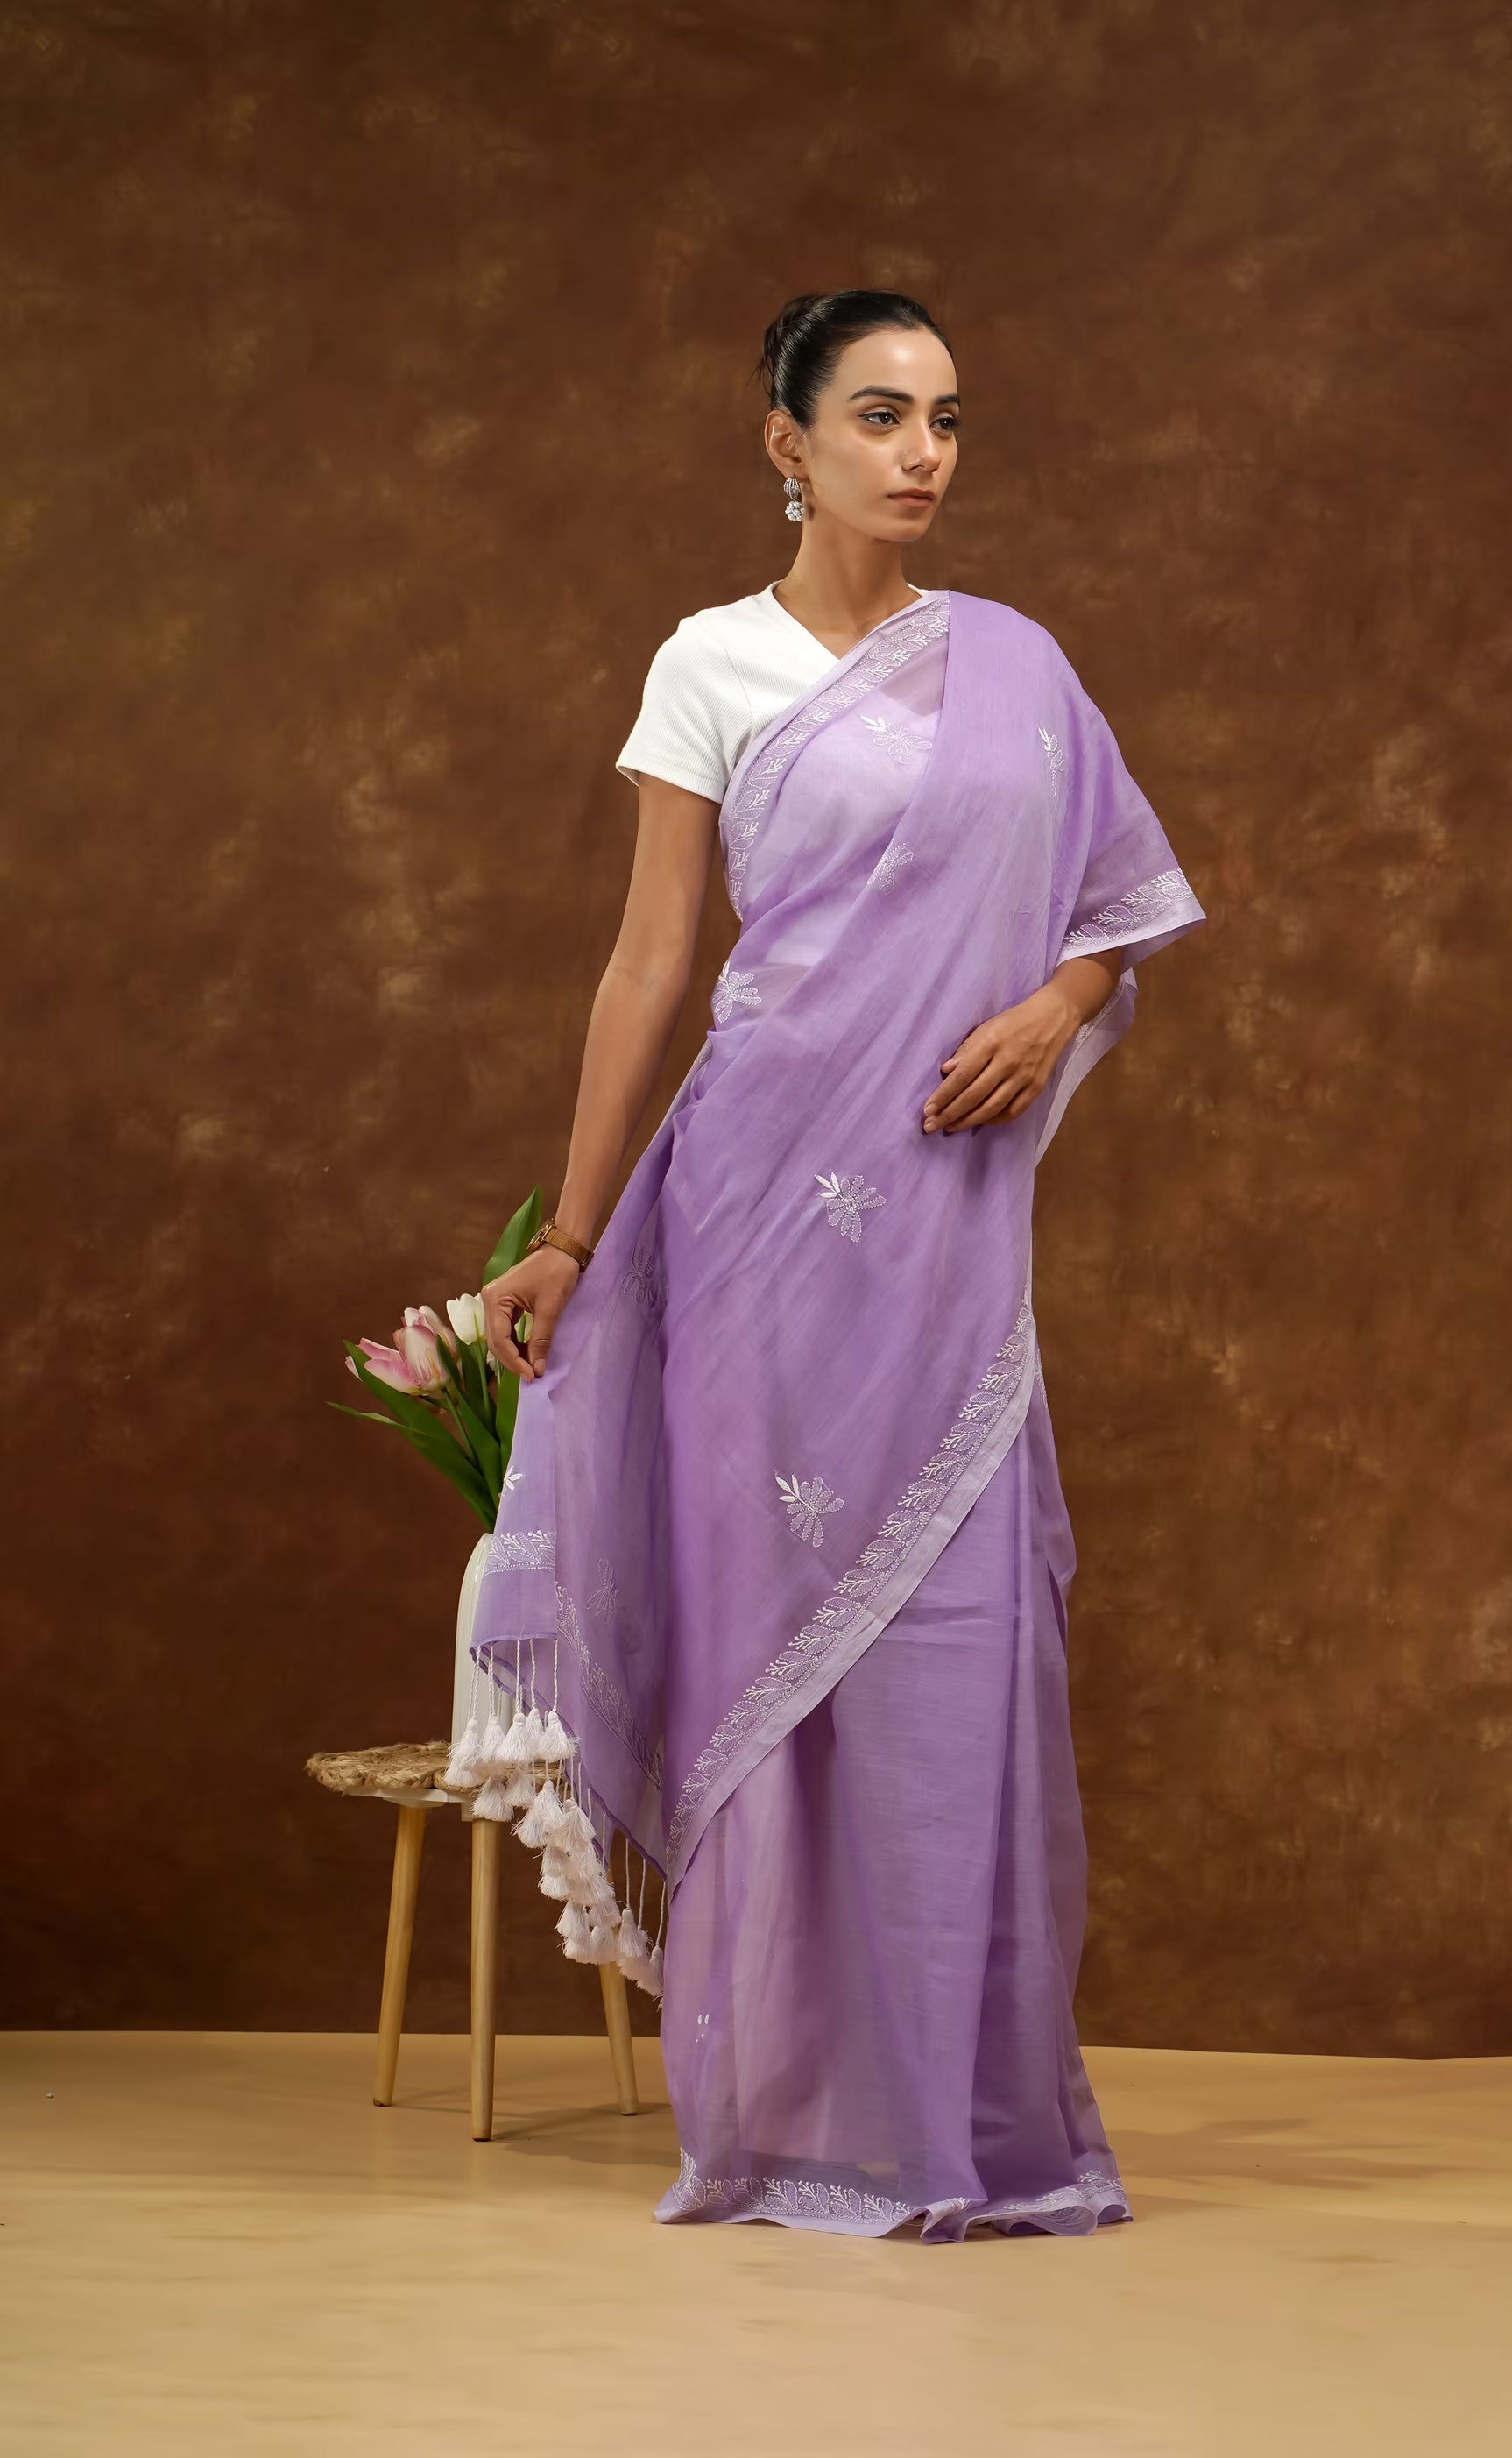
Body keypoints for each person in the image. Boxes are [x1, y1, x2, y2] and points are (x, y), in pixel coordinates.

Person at [465, 289, 1207, 2240]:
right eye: (878, 414)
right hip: (751, 1223)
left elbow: (1117, 908)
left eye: (947, 414)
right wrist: (570, 1227)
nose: (925, 451)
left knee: (952, 1643)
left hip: (941, 1228)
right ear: (783, 441)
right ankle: (785, 2111)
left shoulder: (1021, 668)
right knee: (768, 1655)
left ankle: (966, 2120)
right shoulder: (706, 664)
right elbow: (652, 962)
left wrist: (1054, 1003)